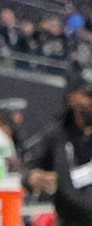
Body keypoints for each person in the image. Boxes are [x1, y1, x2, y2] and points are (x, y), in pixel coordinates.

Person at [25, 68, 92, 223]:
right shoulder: (56, 134)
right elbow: (28, 167)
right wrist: (32, 177)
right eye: (89, 95)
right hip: (70, 219)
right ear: (72, 97)